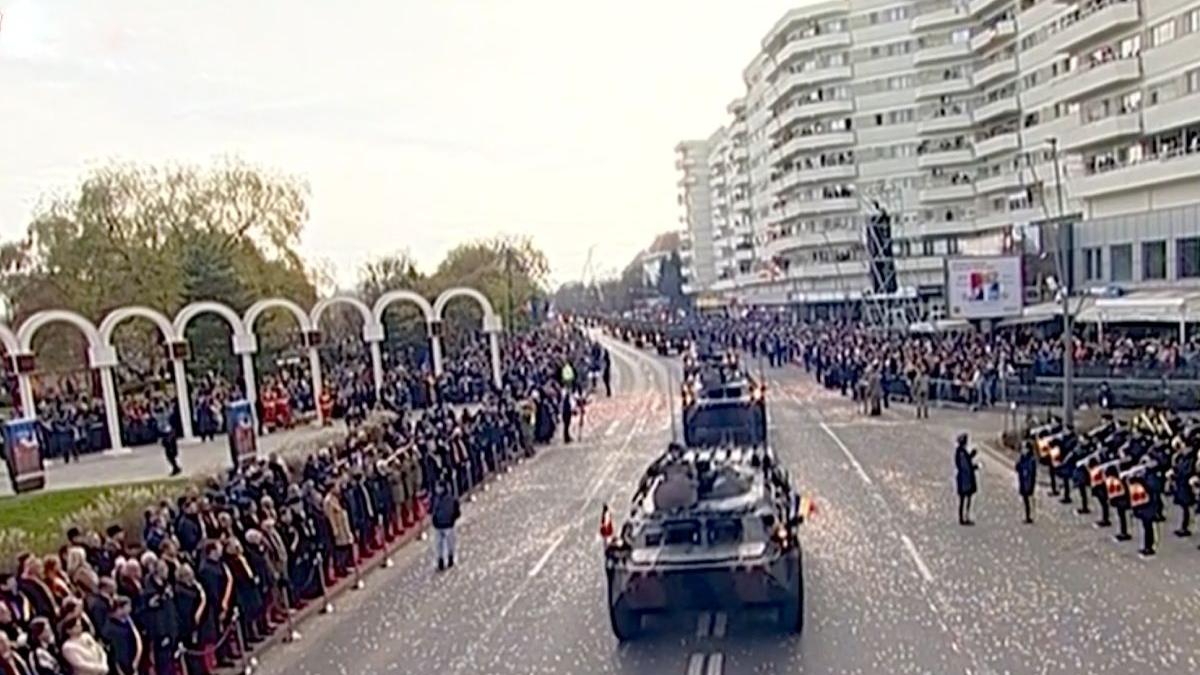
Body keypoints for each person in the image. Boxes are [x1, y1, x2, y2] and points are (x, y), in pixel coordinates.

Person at [430, 481, 461, 572]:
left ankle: (448, 558)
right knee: (441, 543)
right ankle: (442, 560)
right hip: (442, 525)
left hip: (446, 525)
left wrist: (451, 519)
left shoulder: (448, 499)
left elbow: (456, 511)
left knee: (447, 543)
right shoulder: (437, 499)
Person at [954, 433, 978, 526]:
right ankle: (964, 517)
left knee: (964, 499)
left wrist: (971, 456)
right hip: (965, 479)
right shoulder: (961, 453)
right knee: (965, 498)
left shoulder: (961, 452)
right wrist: (973, 467)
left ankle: (963, 516)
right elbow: (965, 466)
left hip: (964, 478)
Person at [1016, 441, 1036, 524]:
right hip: (1023, 481)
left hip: (1028, 482)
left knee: (1029, 499)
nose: (1023, 450)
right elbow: (1017, 468)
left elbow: (1031, 473)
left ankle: (1030, 516)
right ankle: (1027, 515)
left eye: (1024, 448)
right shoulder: (1022, 458)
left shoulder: (1031, 460)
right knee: (1025, 499)